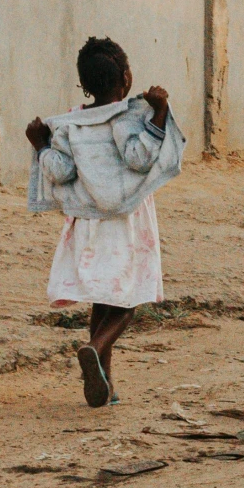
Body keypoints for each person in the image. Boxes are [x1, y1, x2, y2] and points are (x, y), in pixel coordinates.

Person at [25, 37, 183, 408]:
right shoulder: (128, 118)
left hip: (87, 224)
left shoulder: (71, 124)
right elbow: (140, 158)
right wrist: (159, 112)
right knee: (127, 300)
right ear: (126, 79)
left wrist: (41, 146)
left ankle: (105, 381)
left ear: (85, 86)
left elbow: (61, 173)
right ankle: (95, 348)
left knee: (101, 298)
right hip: (126, 222)